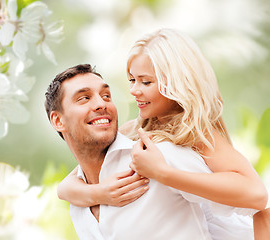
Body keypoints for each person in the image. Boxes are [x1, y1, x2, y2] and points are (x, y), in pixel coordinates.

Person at [55, 29, 269, 238]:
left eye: (146, 82)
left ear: (176, 82)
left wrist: (163, 173)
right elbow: (68, 184)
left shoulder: (197, 132)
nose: (134, 90)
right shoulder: (136, 129)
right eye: (132, 80)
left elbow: (259, 199)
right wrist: (99, 194)